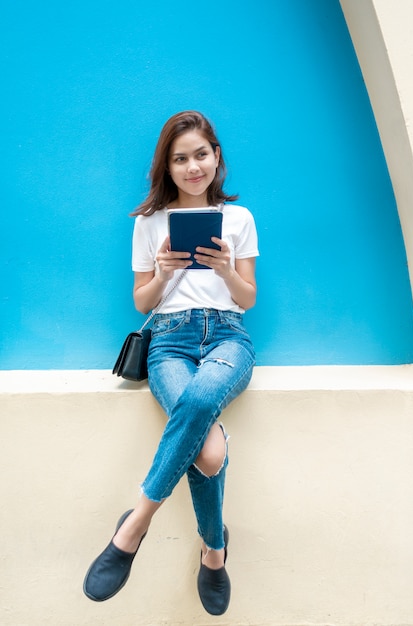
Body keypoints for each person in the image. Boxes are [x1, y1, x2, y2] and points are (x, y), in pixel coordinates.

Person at [83, 110, 259, 615]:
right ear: (168, 165)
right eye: (180, 158)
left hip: (228, 338)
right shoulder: (147, 223)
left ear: (216, 156)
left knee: (202, 399)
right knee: (208, 454)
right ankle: (214, 551)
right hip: (170, 341)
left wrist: (226, 270)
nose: (192, 167)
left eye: (200, 154)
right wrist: (162, 271)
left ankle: (134, 524)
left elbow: (246, 299)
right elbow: (143, 302)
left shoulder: (240, 219)